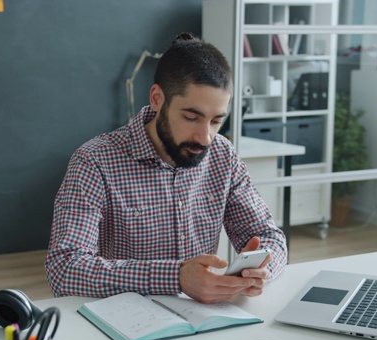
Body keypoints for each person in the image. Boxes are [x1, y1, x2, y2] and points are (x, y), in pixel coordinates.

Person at [45, 33, 287, 304]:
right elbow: (64, 268)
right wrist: (176, 277)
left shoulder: (222, 154)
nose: (205, 137)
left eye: (216, 121)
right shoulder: (94, 161)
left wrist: (262, 269)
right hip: (124, 325)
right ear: (158, 98)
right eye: (191, 117)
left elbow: (269, 236)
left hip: (203, 318)